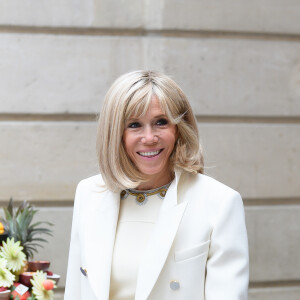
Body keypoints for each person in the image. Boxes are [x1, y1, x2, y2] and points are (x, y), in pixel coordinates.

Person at [64, 70, 249, 300]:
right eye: (134, 125)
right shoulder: (89, 193)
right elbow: (75, 291)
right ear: (114, 133)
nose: (149, 137)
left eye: (161, 122)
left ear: (179, 128)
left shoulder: (220, 202)